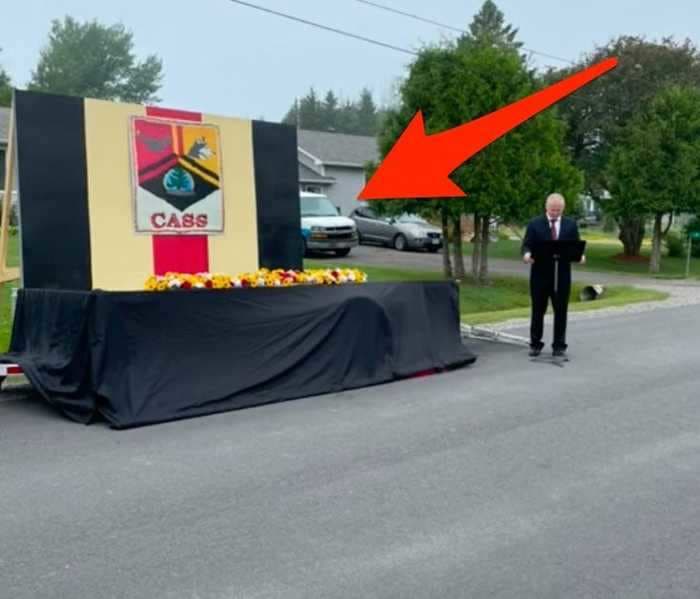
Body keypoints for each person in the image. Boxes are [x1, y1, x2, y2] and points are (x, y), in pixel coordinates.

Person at [521, 193, 586, 359]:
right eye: (552, 210)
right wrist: (527, 255)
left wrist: (580, 256)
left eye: (558, 210)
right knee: (538, 310)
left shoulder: (570, 225)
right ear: (546, 207)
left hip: (562, 275)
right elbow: (526, 245)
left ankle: (559, 345)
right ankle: (535, 344)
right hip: (540, 275)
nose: (555, 213)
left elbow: (576, 246)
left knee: (561, 311)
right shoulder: (535, 224)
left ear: (563, 209)